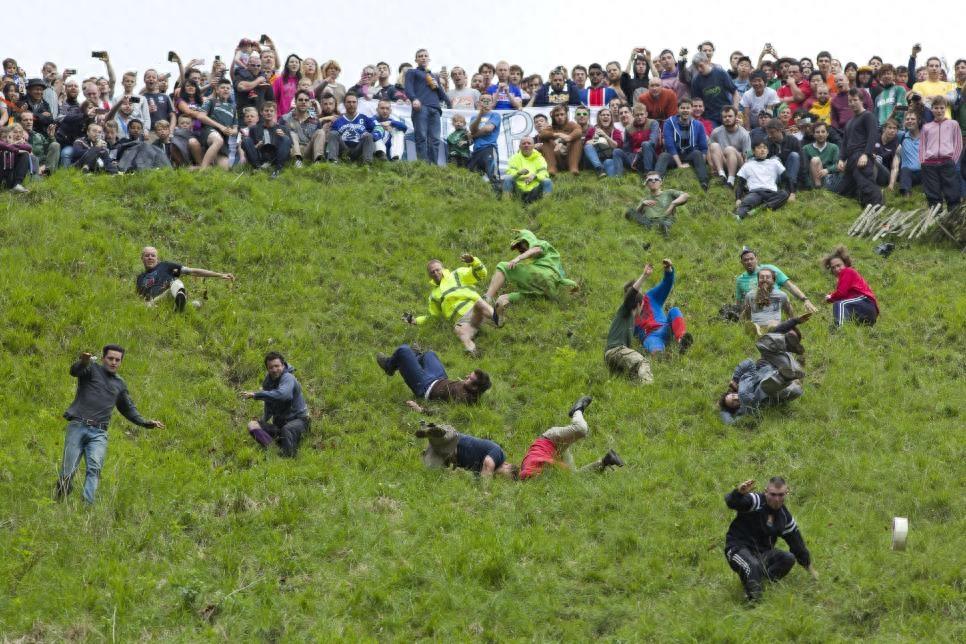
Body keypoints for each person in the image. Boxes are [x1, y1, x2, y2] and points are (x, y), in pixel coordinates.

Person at [56, 346, 164, 503]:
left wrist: (146, 423)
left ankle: (87, 505)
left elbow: (128, 409)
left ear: (121, 362)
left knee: (94, 469)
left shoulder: (120, 384)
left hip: (99, 433)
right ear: (103, 358)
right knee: (68, 469)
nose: (113, 362)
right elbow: (74, 371)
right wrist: (83, 362)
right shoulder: (91, 369)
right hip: (78, 425)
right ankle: (61, 496)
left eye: (117, 360)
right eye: (110, 358)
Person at [724, 477, 818, 601]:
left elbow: (797, 545)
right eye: (773, 494)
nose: (777, 499)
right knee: (753, 565)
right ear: (765, 491)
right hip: (737, 548)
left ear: (787, 493)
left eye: (780, 495)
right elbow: (732, 502)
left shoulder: (784, 517)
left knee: (788, 558)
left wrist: (812, 571)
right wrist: (739, 493)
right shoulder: (756, 501)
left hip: (761, 554)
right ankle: (753, 602)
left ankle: (761, 582)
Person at [719, 316, 810, 424]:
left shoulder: (743, 382)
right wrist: (723, 409)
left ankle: (784, 376)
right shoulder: (744, 407)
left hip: (777, 363)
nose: (735, 399)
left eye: (733, 396)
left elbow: (748, 362)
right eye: (733, 403)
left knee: (762, 343)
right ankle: (784, 378)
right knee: (766, 389)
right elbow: (729, 422)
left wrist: (735, 378)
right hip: (778, 380)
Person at [405, 254, 499, 354]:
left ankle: (497, 319)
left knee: (479, 303)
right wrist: (415, 320)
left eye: (437, 269)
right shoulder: (433, 296)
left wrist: (473, 262)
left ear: (443, 268)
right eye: (432, 272)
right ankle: (472, 351)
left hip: (473, 309)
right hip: (462, 321)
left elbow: (481, 274)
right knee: (458, 330)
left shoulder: (457, 274)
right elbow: (433, 317)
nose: (436, 273)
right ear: (429, 276)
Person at [482, 229, 578, 322]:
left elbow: (536, 249)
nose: (520, 249)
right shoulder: (548, 259)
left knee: (503, 266)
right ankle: (498, 316)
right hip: (549, 291)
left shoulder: (541, 243)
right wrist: (572, 288)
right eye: (518, 249)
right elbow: (561, 277)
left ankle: (487, 299)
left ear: (529, 239)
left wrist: (518, 258)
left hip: (542, 275)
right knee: (503, 298)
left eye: (521, 245)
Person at [519, 396, 624, 480]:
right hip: (556, 452)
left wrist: (561, 467)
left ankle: (577, 409)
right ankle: (606, 460)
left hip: (550, 440)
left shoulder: (526, 472)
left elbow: (544, 461)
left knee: (581, 429)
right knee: (573, 478)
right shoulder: (537, 481)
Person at [375, 344, 491, 408]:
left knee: (403, 350)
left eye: (470, 378)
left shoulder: (463, 399)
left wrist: (420, 409)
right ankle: (414, 358)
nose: (467, 377)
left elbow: (442, 411)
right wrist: (465, 382)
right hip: (440, 378)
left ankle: (389, 366)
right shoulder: (473, 389)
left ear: (475, 387)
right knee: (430, 354)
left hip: (425, 386)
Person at [242, 352, 310, 458]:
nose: (274, 370)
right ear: (267, 369)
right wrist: (263, 423)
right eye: (270, 367)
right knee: (252, 425)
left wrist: (256, 395)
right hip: (280, 425)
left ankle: (288, 458)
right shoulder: (268, 382)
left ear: (283, 365)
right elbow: (269, 406)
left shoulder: (288, 378)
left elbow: (283, 395)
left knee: (287, 429)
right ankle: (274, 451)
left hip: (299, 422)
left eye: (277, 366)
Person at [135, 246, 235, 312]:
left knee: (176, 282)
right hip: (155, 303)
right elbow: (139, 299)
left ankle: (180, 301)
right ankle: (185, 306)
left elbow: (192, 271)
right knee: (194, 304)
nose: (150, 258)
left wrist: (219, 275)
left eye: (153, 255)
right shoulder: (140, 278)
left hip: (171, 295)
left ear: (157, 259)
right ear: (142, 258)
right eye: (147, 255)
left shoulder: (165, 266)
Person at [632, 258, 693, 355]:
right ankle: (659, 354)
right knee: (651, 342)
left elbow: (666, 285)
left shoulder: (650, 297)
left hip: (666, 327)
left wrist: (668, 269)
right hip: (652, 336)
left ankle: (682, 339)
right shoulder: (630, 316)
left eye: (638, 291)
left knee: (675, 310)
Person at [836, 89, 884, 206]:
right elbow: (844, 142)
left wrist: (866, 154)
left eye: (855, 100)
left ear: (862, 100)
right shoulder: (850, 122)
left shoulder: (868, 116)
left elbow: (873, 136)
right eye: (850, 101)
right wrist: (841, 159)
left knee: (866, 183)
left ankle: (878, 207)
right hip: (850, 159)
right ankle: (858, 204)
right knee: (842, 191)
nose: (852, 103)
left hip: (861, 155)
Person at [414, 421, 515, 477]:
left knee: (431, 470)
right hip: (454, 440)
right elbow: (488, 464)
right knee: (445, 437)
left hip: (447, 456)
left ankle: (430, 447)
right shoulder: (499, 454)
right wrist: (485, 489)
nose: (501, 477)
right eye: (505, 475)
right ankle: (433, 432)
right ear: (507, 465)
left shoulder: (481, 473)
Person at [734, 247, 815, 312]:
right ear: (741, 262)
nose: (749, 262)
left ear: (756, 259)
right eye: (745, 260)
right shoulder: (740, 280)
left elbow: (789, 286)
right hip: (755, 311)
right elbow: (739, 303)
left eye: (751, 259)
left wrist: (805, 300)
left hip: (775, 307)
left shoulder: (769, 269)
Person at [405, 49, 450, 164]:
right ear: (416, 60)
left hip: (435, 109)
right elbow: (408, 88)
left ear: (429, 59)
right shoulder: (412, 72)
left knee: (435, 139)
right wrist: (414, 99)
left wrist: (438, 86)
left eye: (425, 56)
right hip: (421, 108)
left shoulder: (434, 76)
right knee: (421, 137)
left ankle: (433, 166)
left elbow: (442, 95)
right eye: (420, 56)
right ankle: (423, 165)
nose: (423, 58)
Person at [655, 98, 709, 190]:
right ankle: (656, 181)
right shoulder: (669, 122)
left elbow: (703, 147)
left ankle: (704, 183)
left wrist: (700, 163)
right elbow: (670, 145)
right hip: (674, 155)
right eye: (682, 108)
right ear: (678, 109)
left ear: (691, 109)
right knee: (663, 155)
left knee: (698, 153)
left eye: (687, 108)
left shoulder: (698, 125)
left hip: (689, 155)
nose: (685, 110)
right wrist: (679, 164)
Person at [918, 95, 962, 208]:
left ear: (946, 108)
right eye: (936, 108)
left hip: (947, 162)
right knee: (932, 193)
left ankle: (953, 216)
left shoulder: (953, 124)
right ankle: (935, 216)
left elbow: (958, 143)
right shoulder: (926, 127)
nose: (939, 111)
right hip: (929, 164)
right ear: (932, 109)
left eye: (942, 108)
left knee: (952, 191)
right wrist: (923, 161)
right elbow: (922, 145)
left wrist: (953, 160)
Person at [823, 245, 879, 327]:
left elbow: (841, 293)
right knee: (844, 308)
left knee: (840, 304)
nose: (836, 269)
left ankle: (839, 331)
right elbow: (843, 295)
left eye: (838, 265)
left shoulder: (848, 271)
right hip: (867, 312)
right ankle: (843, 329)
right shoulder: (844, 278)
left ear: (845, 264)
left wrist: (830, 297)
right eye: (833, 268)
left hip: (866, 303)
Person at [735, 139, 790, 219]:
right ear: (753, 151)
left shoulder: (774, 162)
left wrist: (792, 193)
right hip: (755, 192)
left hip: (771, 192)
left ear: (768, 151)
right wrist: (738, 199)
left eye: (765, 148)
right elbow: (740, 184)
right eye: (759, 148)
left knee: (784, 194)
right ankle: (738, 216)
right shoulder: (748, 165)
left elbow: (787, 179)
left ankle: (760, 209)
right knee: (747, 202)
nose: (762, 150)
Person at [624, 172, 689, 236]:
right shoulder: (645, 199)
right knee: (629, 212)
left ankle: (659, 228)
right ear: (646, 184)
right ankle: (656, 228)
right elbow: (637, 214)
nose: (653, 181)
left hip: (665, 220)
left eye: (656, 179)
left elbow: (685, 196)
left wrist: (673, 204)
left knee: (663, 224)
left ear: (660, 182)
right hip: (649, 221)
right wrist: (642, 205)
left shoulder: (669, 193)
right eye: (650, 180)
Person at [241, 101, 291, 177]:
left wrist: (283, 136)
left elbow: (289, 146)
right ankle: (258, 168)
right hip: (260, 156)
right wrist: (256, 146)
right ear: (261, 112)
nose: (269, 113)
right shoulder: (254, 129)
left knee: (286, 139)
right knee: (246, 140)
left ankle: (277, 169)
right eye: (266, 110)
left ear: (275, 113)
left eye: (271, 111)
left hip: (276, 156)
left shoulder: (283, 128)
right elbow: (250, 148)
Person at [740, 268, 795, 335]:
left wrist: (791, 323)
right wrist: (744, 322)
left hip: (774, 323)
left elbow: (788, 310)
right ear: (758, 280)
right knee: (754, 325)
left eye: (768, 277)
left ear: (773, 280)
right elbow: (746, 312)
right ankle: (757, 332)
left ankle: (769, 332)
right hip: (757, 324)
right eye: (762, 277)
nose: (764, 279)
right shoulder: (750, 295)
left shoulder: (781, 295)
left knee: (773, 325)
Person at [690, 52, 738, 127]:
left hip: (726, 113)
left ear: (707, 62)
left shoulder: (721, 73)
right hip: (709, 117)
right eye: (696, 67)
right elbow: (695, 102)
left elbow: (735, 93)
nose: (699, 69)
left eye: (700, 66)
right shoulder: (696, 81)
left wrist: (735, 111)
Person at [326, 93, 375, 164]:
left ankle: (367, 164)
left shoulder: (365, 118)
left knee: (368, 136)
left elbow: (377, 128)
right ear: (344, 104)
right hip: (344, 149)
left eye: (354, 102)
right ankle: (332, 161)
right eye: (349, 102)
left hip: (359, 148)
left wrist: (371, 135)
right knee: (333, 133)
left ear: (357, 103)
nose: (351, 104)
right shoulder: (338, 120)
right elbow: (333, 138)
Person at [709, 105, 751, 186]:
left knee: (729, 149)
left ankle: (730, 180)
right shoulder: (716, 132)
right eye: (725, 117)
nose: (727, 118)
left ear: (736, 117)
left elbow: (748, 155)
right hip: (723, 162)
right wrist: (711, 166)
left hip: (739, 165)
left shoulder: (744, 133)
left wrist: (747, 175)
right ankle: (722, 175)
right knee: (714, 145)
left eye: (730, 116)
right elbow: (709, 150)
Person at [503, 136, 552, 203]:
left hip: (534, 191)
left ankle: (546, 206)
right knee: (507, 178)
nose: (526, 145)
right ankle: (507, 204)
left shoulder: (540, 158)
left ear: (533, 146)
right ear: (520, 146)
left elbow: (544, 174)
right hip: (518, 190)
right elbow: (510, 173)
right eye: (524, 143)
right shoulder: (514, 158)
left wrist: (535, 176)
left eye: (529, 143)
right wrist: (518, 173)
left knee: (547, 181)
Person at [537, 105, 582, 176]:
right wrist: (557, 134)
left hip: (570, 156)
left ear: (566, 115)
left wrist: (569, 137)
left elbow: (578, 131)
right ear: (553, 118)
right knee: (546, 141)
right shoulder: (551, 127)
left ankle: (573, 168)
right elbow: (542, 134)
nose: (559, 117)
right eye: (557, 115)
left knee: (577, 140)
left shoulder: (572, 124)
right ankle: (552, 168)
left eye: (562, 114)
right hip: (556, 158)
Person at [467, 94, 501, 187]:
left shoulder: (495, 115)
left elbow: (488, 129)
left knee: (493, 176)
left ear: (492, 103)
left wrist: (473, 136)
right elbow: (472, 129)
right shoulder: (474, 117)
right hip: (476, 150)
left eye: (488, 100)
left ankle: (497, 199)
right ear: (478, 103)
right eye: (483, 100)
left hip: (489, 148)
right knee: (471, 178)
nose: (485, 102)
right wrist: (480, 114)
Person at [803, 121, 841, 190]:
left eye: (823, 132)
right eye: (817, 132)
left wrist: (827, 170)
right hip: (813, 179)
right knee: (815, 160)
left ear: (827, 134)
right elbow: (804, 168)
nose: (820, 134)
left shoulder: (834, 147)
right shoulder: (806, 148)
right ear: (813, 134)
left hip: (829, 178)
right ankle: (818, 190)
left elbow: (838, 165)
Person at [897, 111, 922, 196]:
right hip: (907, 174)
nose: (910, 121)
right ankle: (906, 195)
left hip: (923, 172)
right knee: (905, 169)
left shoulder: (925, 136)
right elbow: (885, 128)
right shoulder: (901, 136)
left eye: (913, 119)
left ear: (918, 121)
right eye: (907, 119)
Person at [0, 125, 31, 192]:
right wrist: (13, 147)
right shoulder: (2, 145)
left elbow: (28, 148)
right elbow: (3, 145)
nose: (7, 139)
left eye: (10, 137)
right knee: (3, 152)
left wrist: (14, 145)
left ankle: (17, 184)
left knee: (25, 154)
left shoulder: (19, 144)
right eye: (4, 137)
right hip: (1, 174)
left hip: (11, 176)